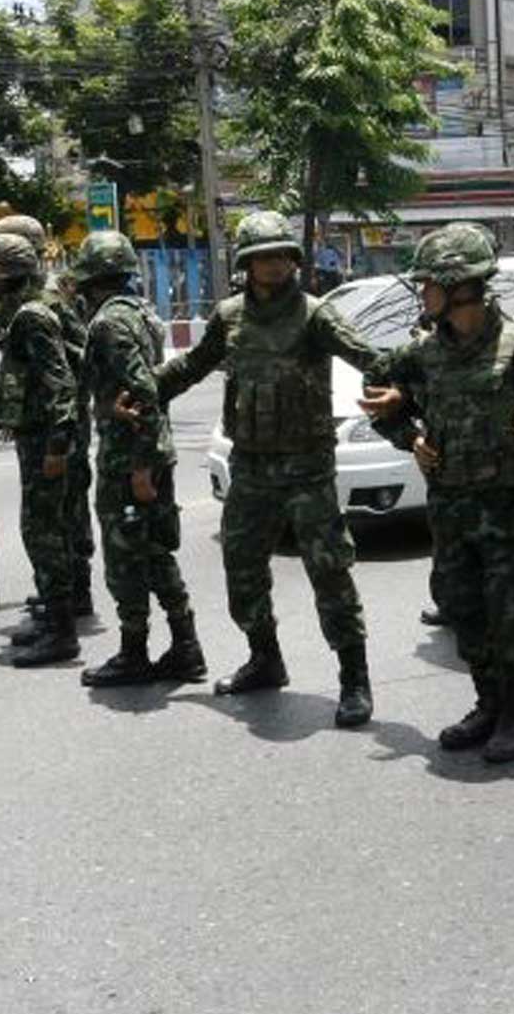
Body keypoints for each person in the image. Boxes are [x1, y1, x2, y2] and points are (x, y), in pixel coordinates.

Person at [153, 211, 386, 728]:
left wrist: (408, 381)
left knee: (330, 572)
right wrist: (145, 389)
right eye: (263, 257)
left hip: (308, 467)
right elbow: (191, 366)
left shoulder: (314, 314)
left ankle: (355, 678)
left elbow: (369, 357)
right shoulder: (230, 315)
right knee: (242, 567)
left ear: (294, 260)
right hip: (252, 467)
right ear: (246, 264)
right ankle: (265, 658)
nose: (274, 264)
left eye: (282, 254)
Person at [360, 223, 514, 762]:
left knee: (511, 612)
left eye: (427, 284)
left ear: (459, 286)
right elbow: (376, 393)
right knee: (461, 605)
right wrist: (410, 435)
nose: (421, 294)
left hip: (507, 509)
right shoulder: (421, 355)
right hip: (449, 507)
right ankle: (487, 704)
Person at [70, 230, 199, 686]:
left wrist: (141, 466)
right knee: (155, 551)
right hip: (145, 450)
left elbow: (142, 389)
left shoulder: (109, 323)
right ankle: (186, 646)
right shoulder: (140, 313)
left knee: (126, 559)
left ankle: (134, 652)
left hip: (131, 459)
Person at [0, 233, 86, 667]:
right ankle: (53, 621)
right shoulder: (22, 313)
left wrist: (58, 444)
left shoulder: (32, 317)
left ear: (9, 276)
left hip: (46, 440)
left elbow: (59, 381)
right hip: (34, 434)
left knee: (45, 532)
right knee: (41, 530)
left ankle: (61, 633)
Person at [0, 213, 96, 621]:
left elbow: (70, 362)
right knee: (57, 510)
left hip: (61, 417)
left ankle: (74, 591)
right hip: (48, 413)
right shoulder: (25, 301)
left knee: (64, 510)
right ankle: (64, 589)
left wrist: (62, 428)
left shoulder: (47, 300)